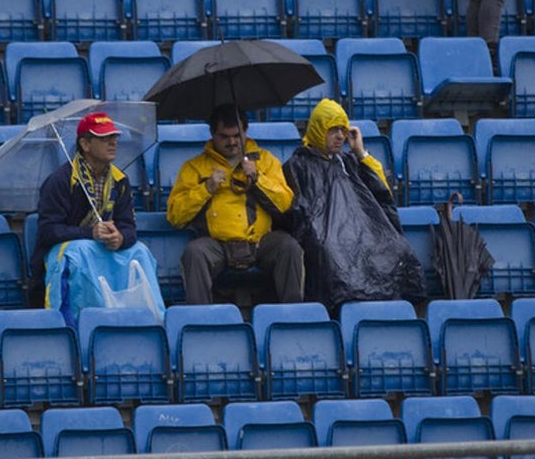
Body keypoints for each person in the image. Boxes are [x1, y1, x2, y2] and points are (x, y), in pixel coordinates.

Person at [282, 98, 426, 313]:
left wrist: (361, 152)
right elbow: (298, 212)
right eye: (333, 130)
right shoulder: (298, 165)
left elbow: (381, 191)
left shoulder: (348, 161)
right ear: (319, 129)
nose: (340, 136)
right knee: (331, 252)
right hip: (326, 236)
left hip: (360, 232)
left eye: (343, 129)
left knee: (396, 247)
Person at [31, 112, 165, 323]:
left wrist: (120, 238)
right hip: (66, 251)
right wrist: (89, 233)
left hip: (102, 247)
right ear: (85, 144)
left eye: (114, 137)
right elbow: (48, 231)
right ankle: (83, 322)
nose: (113, 143)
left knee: (140, 251)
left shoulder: (120, 180)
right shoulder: (59, 181)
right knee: (80, 251)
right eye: (104, 138)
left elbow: (129, 227)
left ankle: (152, 320)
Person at [166, 104, 304, 305]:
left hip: (260, 241)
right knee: (194, 253)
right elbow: (175, 216)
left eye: (236, 135)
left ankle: (292, 318)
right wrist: (206, 188)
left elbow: (286, 204)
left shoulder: (265, 161)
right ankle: (198, 321)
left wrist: (258, 179)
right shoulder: (194, 167)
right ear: (212, 134)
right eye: (224, 136)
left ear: (245, 132)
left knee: (289, 247)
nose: (232, 142)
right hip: (217, 244)